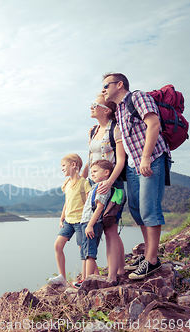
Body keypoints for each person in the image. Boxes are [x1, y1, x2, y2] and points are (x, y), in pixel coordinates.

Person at [102, 72, 171, 280]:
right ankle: (149, 254)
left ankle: (152, 260)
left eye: (106, 85)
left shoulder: (137, 97)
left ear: (119, 84)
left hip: (151, 159)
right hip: (133, 166)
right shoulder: (120, 110)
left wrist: (146, 157)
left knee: (149, 208)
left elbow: (154, 124)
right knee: (137, 210)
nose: (103, 89)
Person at [81, 94, 126, 284]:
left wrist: (110, 181)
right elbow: (91, 156)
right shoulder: (93, 130)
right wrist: (81, 179)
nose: (91, 107)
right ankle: (120, 269)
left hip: (111, 182)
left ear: (106, 110)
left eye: (95, 104)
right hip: (95, 183)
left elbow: (121, 160)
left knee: (110, 228)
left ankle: (113, 276)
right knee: (102, 226)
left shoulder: (115, 129)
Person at [49, 153, 92, 286]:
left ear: (73, 165)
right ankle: (62, 276)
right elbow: (67, 202)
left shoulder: (84, 183)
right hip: (68, 220)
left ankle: (86, 279)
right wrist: (62, 218)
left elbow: (89, 202)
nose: (62, 168)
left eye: (63, 165)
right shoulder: (67, 183)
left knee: (83, 250)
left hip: (80, 221)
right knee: (58, 245)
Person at [79, 160, 115, 286]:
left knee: (90, 253)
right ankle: (90, 279)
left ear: (106, 173)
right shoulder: (95, 186)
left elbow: (99, 207)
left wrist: (90, 225)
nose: (92, 174)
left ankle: (88, 282)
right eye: (91, 171)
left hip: (92, 223)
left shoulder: (103, 186)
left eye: (95, 171)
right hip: (87, 222)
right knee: (86, 252)